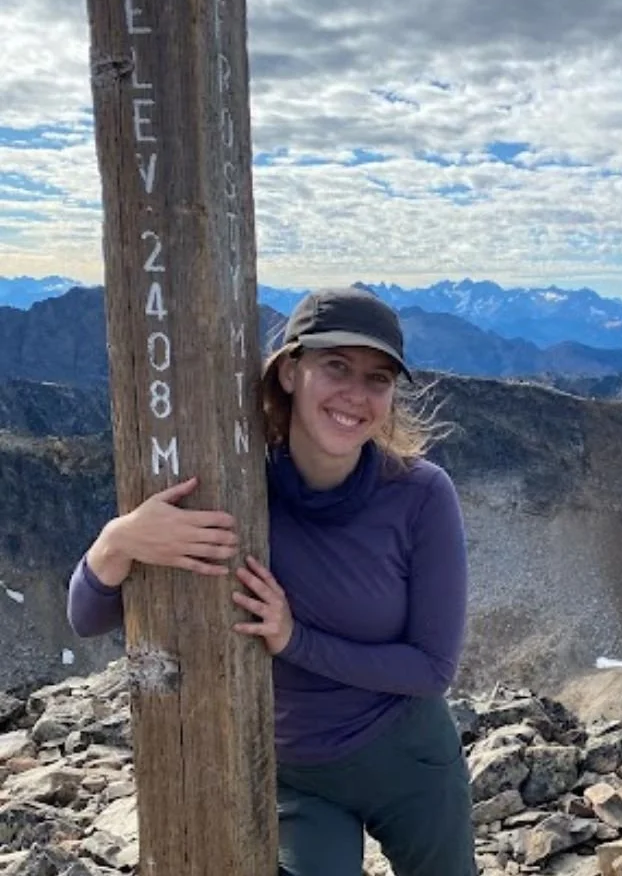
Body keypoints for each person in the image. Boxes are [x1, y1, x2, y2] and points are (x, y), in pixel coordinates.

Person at [67, 286, 477, 876]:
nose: (356, 395)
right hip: (297, 776)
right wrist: (118, 542)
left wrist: (294, 640)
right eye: (335, 367)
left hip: (408, 756)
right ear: (289, 371)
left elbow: (431, 668)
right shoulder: (236, 494)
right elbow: (87, 617)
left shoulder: (419, 495)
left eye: (379, 379)